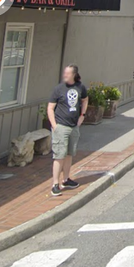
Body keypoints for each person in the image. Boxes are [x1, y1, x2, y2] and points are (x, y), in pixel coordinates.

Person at [48, 65, 86, 196]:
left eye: (68, 73)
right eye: (65, 73)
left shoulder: (80, 87)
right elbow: (50, 108)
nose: (65, 75)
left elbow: (85, 99)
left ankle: (66, 179)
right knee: (59, 155)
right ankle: (55, 184)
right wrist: (54, 125)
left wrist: (83, 115)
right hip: (61, 126)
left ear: (74, 75)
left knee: (70, 154)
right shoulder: (58, 89)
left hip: (74, 126)